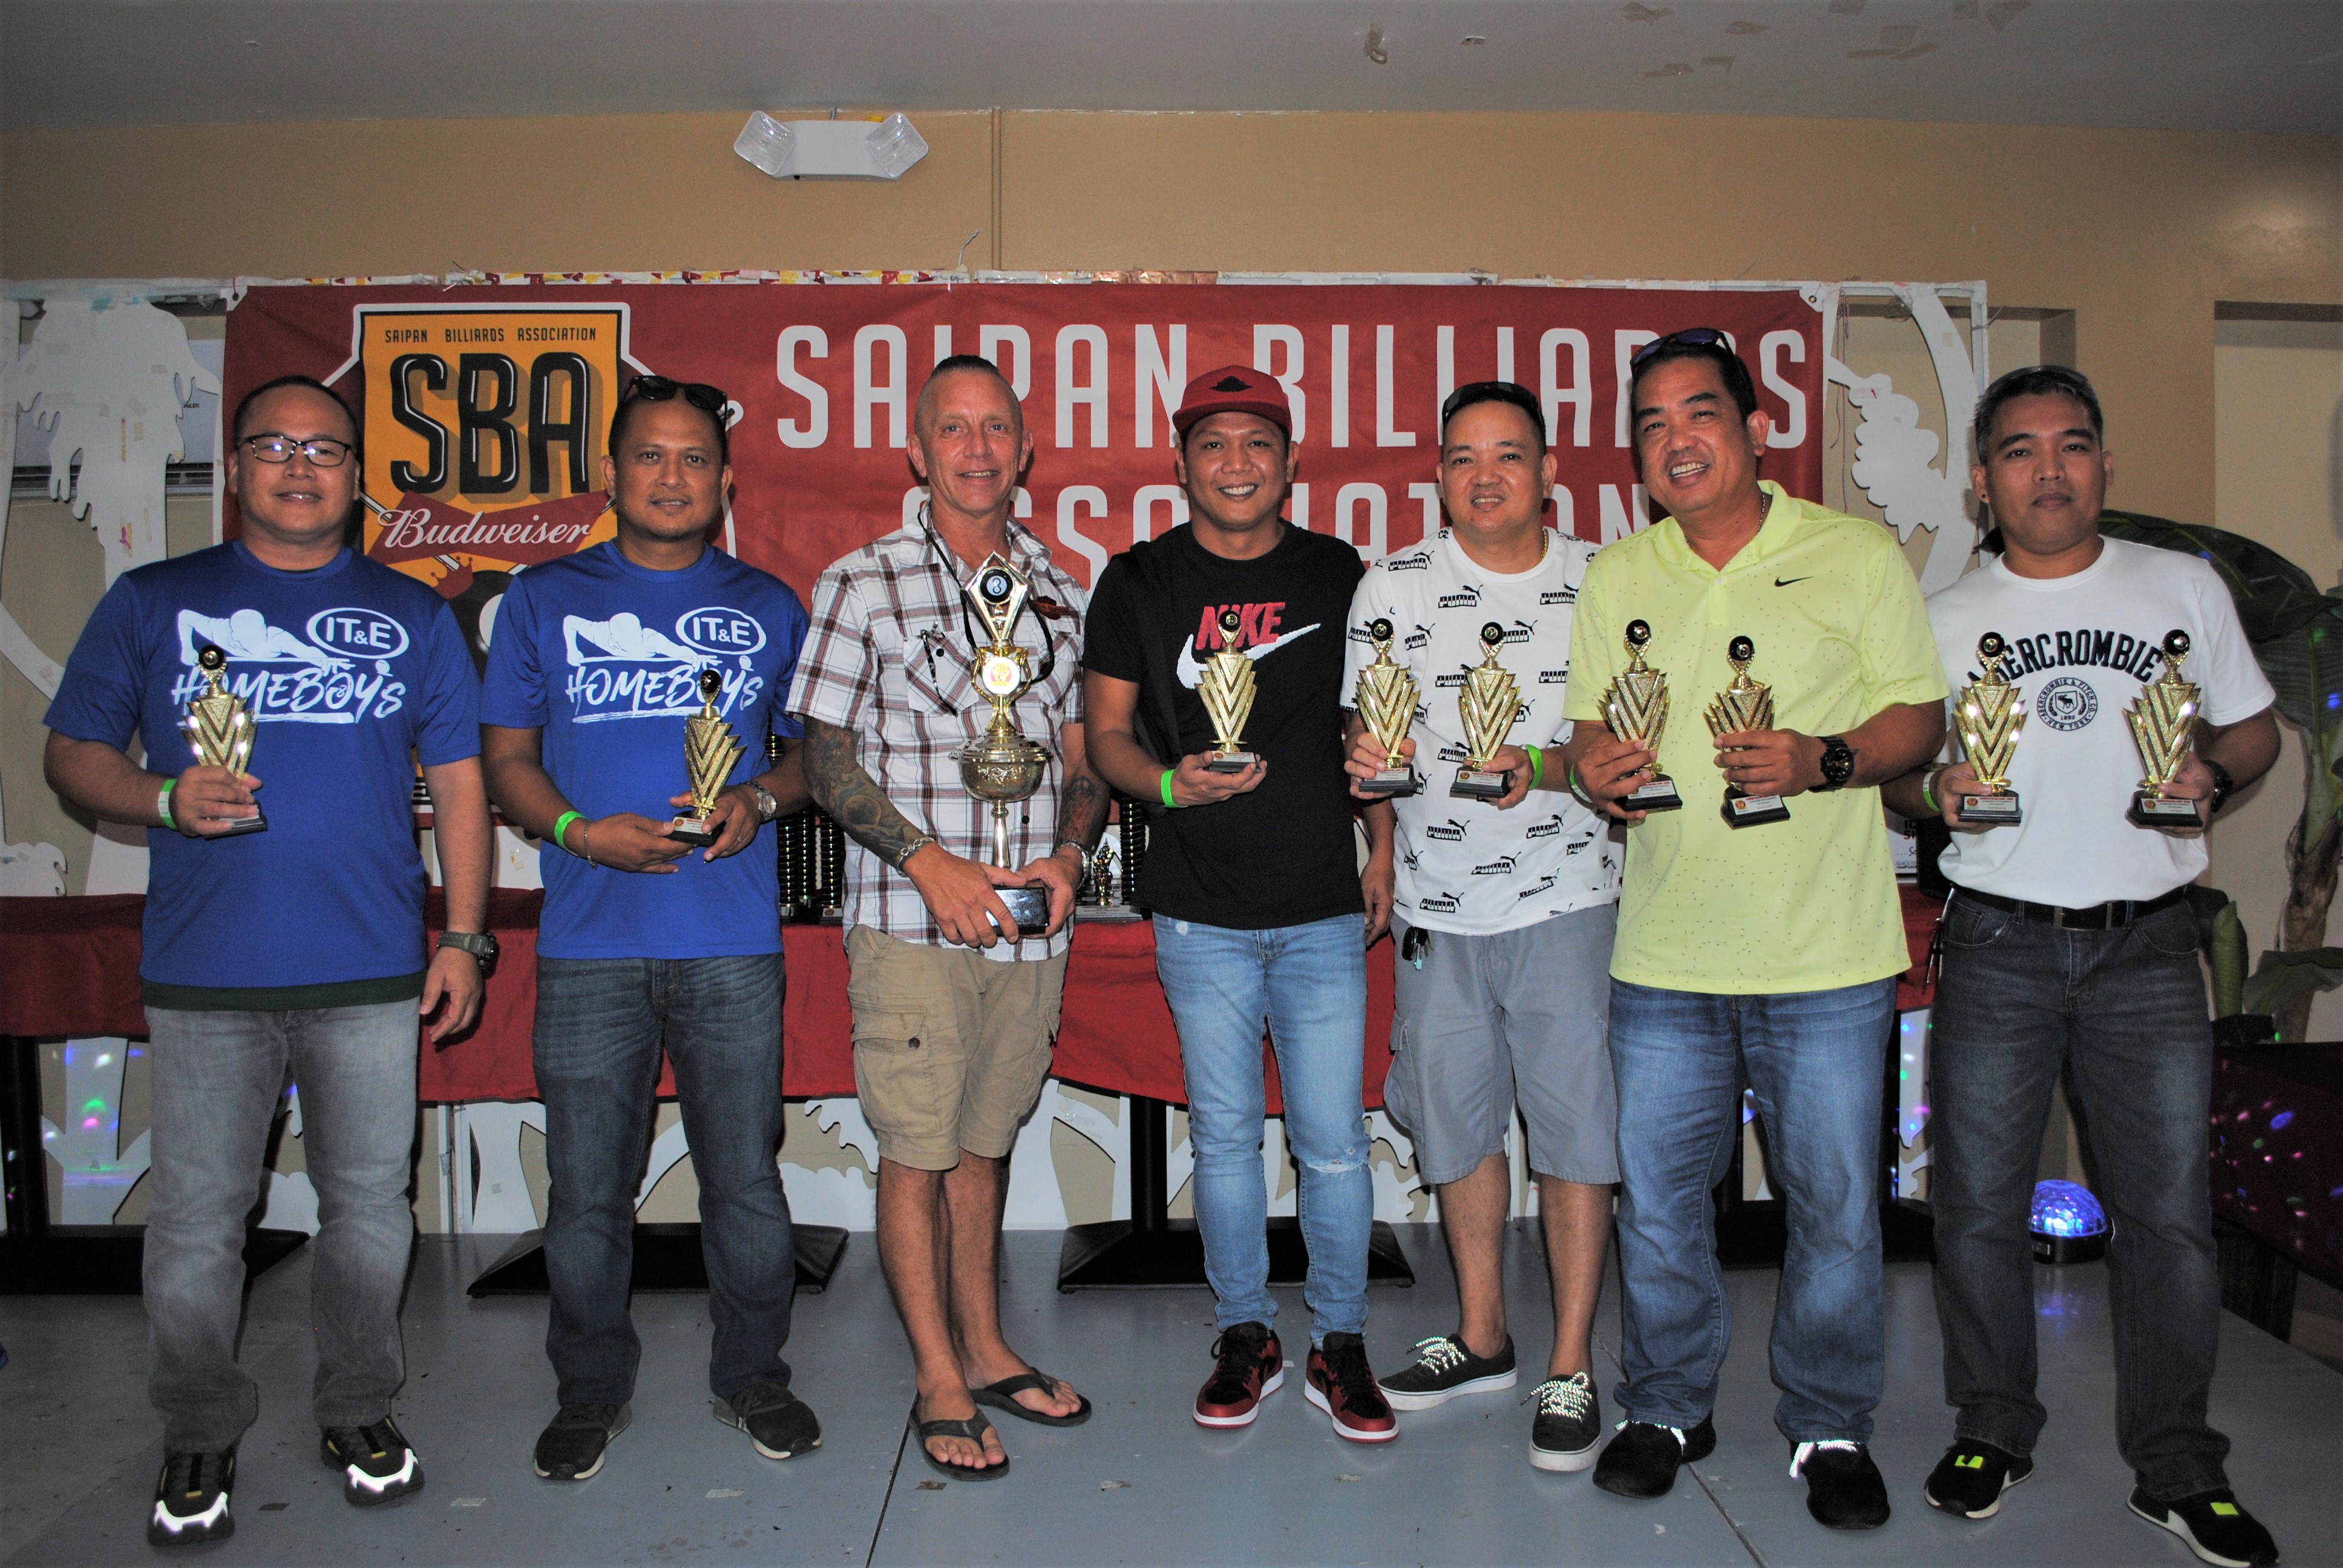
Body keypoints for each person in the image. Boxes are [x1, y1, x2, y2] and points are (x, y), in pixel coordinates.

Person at [43, 374, 491, 1545]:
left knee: (370, 1213)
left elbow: (458, 786)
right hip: (207, 976)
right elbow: (71, 752)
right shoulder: (153, 602)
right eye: (275, 447)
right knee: (198, 1221)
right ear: (236, 466)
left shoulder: (413, 614)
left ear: (357, 474)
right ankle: (198, 1425)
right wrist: (156, 796)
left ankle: (358, 1407)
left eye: (327, 450)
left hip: (373, 973)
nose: (302, 467)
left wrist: (462, 935)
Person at [1881, 366, 2283, 1567]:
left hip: (2150, 943)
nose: (2046, 469)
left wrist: (2213, 767)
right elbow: (1901, 768)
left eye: (2071, 446)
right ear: (1980, 483)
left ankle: (2177, 1468)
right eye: (2018, 450)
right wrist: (1931, 789)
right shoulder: (1941, 614)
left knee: (2168, 1222)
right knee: (1977, 1212)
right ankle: (1992, 1429)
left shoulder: (2181, 587)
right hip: (1999, 938)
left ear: (2103, 465)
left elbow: (2253, 723)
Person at [1559, 329, 1948, 1528]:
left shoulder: (1853, 552)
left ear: (1753, 428)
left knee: (1833, 1210)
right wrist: (1598, 773)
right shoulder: (1619, 574)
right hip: (1665, 952)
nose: (1675, 439)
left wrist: (1823, 758)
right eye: (1651, 423)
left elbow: (1919, 721)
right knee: (1662, 1204)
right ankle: (1669, 1402)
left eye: (1699, 414)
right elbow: (1582, 734)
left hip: (1827, 954)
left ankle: (1829, 1424)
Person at [480, 373, 820, 1481]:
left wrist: (757, 802)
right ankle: (589, 1389)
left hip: (729, 943)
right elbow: (507, 763)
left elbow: (816, 755)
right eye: (649, 457)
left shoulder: (772, 603)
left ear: (725, 481)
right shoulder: (539, 600)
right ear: (613, 474)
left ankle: (754, 1376)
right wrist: (581, 832)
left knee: (747, 1183)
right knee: (585, 1193)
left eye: (693, 460)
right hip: (589, 944)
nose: (672, 476)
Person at [790, 355, 1099, 1480]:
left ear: (1025, 452)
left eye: (998, 429)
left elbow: (1079, 756)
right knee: (917, 1151)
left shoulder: (1064, 586)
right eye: (952, 429)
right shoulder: (860, 584)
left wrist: (1069, 852)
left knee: (985, 1142)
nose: (977, 448)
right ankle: (936, 1374)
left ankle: (987, 1342)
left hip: (1032, 926)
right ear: (917, 452)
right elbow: (821, 758)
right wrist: (929, 862)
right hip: (911, 922)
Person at [1084, 364, 1398, 1443]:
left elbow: (1374, 734)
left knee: (1335, 1142)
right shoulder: (1136, 581)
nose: (1235, 463)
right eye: (1212, 443)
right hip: (1197, 909)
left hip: (1319, 903)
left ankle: (1343, 1341)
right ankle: (1247, 1331)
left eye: (1256, 442)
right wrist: (1171, 786)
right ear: (1181, 463)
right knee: (1221, 1140)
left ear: (1290, 460)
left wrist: (1385, 849)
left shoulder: (1339, 574)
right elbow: (1106, 738)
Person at [1342, 381, 1622, 1471]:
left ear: (1550, 469)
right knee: (1454, 1125)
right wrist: (1374, 822)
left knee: (1574, 1138)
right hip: (1435, 911)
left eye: (1510, 454)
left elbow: (1629, 740)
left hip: (1570, 899)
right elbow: (1372, 738)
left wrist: (1554, 771)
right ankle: (1483, 1335)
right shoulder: (1396, 585)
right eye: (1464, 457)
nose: (1487, 475)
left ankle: (1571, 1364)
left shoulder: (1606, 578)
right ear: (1440, 475)